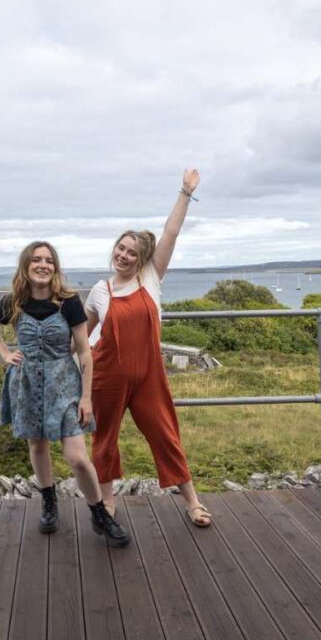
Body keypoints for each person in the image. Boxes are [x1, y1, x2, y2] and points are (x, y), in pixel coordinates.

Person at [85, 170, 212, 527]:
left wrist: (185, 193)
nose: (123, 255)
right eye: (120, 249)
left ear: (142, 259)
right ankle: (107, 503)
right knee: (104, 439)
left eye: (131, 252)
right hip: (107, 374)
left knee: (165, 434)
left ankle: (192, 503)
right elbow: (81, 334)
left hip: (149, 377)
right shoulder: (99, 290)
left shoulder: (151, 277)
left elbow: (171, 232)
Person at [0, 241, 130, 546]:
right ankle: (49, 502)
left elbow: (86, 354)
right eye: (36, 260)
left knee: (77, 457)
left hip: (64, 384)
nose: (43, 265)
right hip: (27, 383)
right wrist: (5, 354)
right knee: (37, 445)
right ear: (26, 265)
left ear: (55, 267)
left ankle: (99, 514)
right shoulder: (13, 303)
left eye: (49, 260)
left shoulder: (68, 302)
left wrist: (86, 398)